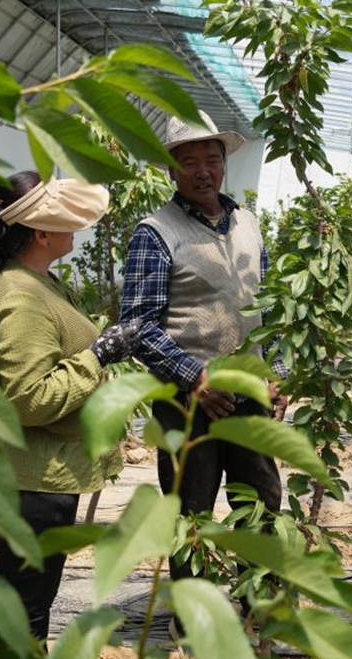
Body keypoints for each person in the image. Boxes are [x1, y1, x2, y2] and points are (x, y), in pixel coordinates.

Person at [119, 110, 287, 588]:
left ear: (224, 163)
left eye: (212, 159)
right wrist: (194, 377)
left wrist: (276, 370)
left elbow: (266, 310)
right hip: (185, 402)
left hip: (248, 394)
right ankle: (195, 619)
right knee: (191, 512)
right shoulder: (155, 233)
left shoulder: (249, 225)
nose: (203, 171)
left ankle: (259, 610)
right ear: (171, 170)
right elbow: (137, 326)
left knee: (259, 500)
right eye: (189, 162)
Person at [0, 170, 140, 641]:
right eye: (66, 219)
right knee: (23, 612)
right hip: (33, 485)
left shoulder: (36, 281)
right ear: (42, 232)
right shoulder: (22, 295)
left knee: (29, 605)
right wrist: (99, 355)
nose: (77, 226)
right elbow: (30, 398)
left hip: (44, 478)